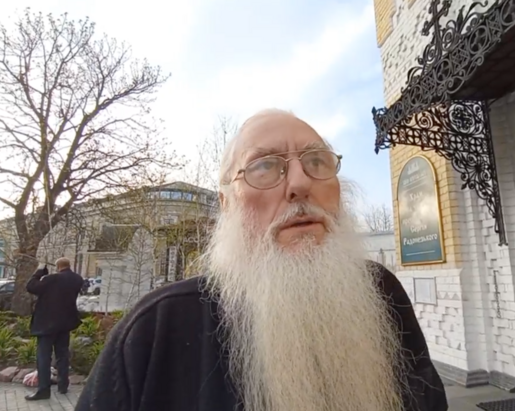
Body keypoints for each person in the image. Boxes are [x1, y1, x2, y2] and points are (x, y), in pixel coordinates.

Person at [76, 109, 448, 411]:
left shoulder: (381, 292)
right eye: (265, 167)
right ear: (227, 205)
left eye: (316, 161)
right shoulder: (158, 327)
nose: (300, 184)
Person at [25, 257, 84, 401]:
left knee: (43, 356)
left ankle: (43, 390)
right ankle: (63, 385)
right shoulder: (77, 279)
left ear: (57, 267)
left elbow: (31, 286)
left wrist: (39, 272)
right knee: (62, 354)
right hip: (65, 323)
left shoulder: (51, 279)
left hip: (46, 324)